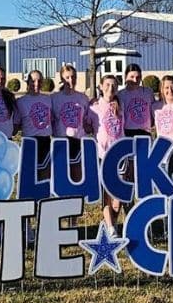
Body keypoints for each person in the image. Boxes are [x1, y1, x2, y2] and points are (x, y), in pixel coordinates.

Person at [89, 74, 126, 236]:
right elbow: (87, 126)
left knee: (117, 196)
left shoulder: (121, 104)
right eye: (107, 84)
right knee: (106, 194)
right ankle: (111, 228)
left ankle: (112, 223)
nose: (110, 88)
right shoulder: (94, 106)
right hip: (102, 155)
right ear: (101, 86)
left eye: (114, 85)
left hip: (119, 154)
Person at [15, 69, 54, 185]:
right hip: (29, 141)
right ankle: (31, 201)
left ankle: (43, 200)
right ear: (28, 83)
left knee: (45, 175)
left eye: (39, 81)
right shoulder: (21, 101)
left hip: (45, 140)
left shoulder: (48, 99)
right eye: (33, 81)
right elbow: (16, 124)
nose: (36, 84)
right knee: (30, 176)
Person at [51, 64, 90, 175]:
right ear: (62, 79)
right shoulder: (54, 98)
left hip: (78, 141)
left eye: (73, 77)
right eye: (67, 77)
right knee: (62, 174)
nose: (71, 80)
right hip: (61, 140)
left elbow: (87, 119)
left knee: (77, 174)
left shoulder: (83, 98)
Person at [120, 64, 154, 138]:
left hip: (145, 131)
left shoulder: (148, 92)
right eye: (132, 77)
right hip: (127, 131)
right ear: (126, 77)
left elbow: (154, 108)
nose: (135, 80)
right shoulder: (120, 95)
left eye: (138, 77)